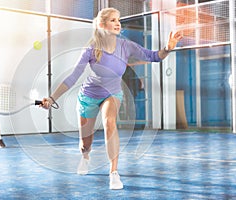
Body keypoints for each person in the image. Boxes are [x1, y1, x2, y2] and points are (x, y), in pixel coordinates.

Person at [41, 7, 182, 190]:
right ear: (102, 24)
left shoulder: (126, 46)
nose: (118, 23)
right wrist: (52, 99)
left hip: (112, 93)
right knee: (85, 143)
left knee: (110, 123)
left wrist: (167, 48)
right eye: (113, 20)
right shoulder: (91, 49)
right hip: (89, 96)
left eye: (118, 20)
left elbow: (153, 56)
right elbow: (73, 77)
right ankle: (85, 157)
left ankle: (113, 172)